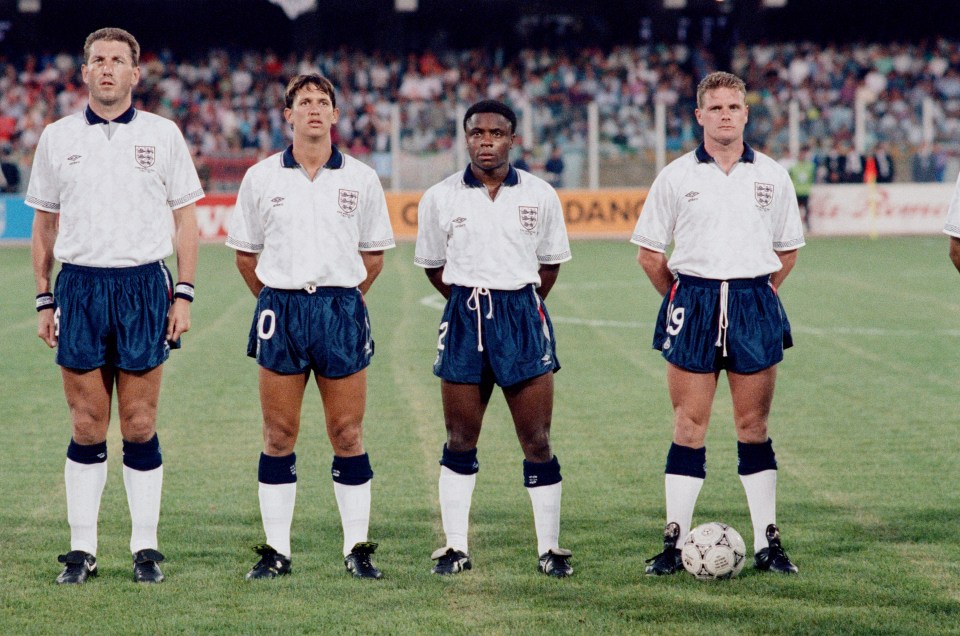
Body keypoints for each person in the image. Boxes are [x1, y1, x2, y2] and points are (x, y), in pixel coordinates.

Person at [27, 27, 203, 585]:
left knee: (140, 422)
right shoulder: (56, 137)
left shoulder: (163, 134)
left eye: (117, 60)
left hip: (144, 287)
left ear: (135, 72)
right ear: (84, 72)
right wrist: (44, 296)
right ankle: (82, 550)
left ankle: (145, 548)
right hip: (79, 288)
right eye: (98, 60)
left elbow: (186, 219)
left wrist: (184, 292)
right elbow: (45, 224)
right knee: (86, 424)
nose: (107, 68)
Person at [631, 72, 804, 577]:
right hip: (695, 302)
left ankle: (768, 542)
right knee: (689, 425)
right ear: (699, 116)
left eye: (733, 107)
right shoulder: (675, 176)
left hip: (752, 301)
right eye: (716, 107)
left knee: (754, 426)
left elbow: (787, 250)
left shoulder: (772, 175)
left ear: (745, 114)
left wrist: (760, 294)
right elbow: (649, 254)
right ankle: (673, 542)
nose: (725, 115)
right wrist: (683, 299)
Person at [226, 74, 395, 581]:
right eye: (305, 102)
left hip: (340, 308)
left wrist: (342, 301)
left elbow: (373, 257)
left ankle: (357, 548)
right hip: (281, 309)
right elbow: (245, 256)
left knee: (347, 432)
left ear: (336, 115)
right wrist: (278, 300)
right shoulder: (261, 177)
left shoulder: (362, 178)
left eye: (324, 101)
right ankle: (276, 551)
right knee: (279, 434)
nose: (315, 108)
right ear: (289, 115)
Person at [415, 99, 574, 578]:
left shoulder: (540, 194)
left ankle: (550, 549)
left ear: (512, 139)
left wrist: (516, 305)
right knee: (460, 438)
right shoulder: (440, 197)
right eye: (477, 133)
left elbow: (549, 266)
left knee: (537, 439)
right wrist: (470, 302)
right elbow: (434, 267)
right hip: (465, 318)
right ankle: (455, 548)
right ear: (466, 139)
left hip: (522, 317)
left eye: (496, 133)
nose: (487, 142)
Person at [788, 146, 815, 230]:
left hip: (805, 191)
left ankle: (808, 226)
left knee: (806, 211)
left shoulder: (810, 166)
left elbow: (812, 178)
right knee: (795, 211)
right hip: (796, 191)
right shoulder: (794, 167)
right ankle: (794, 227)